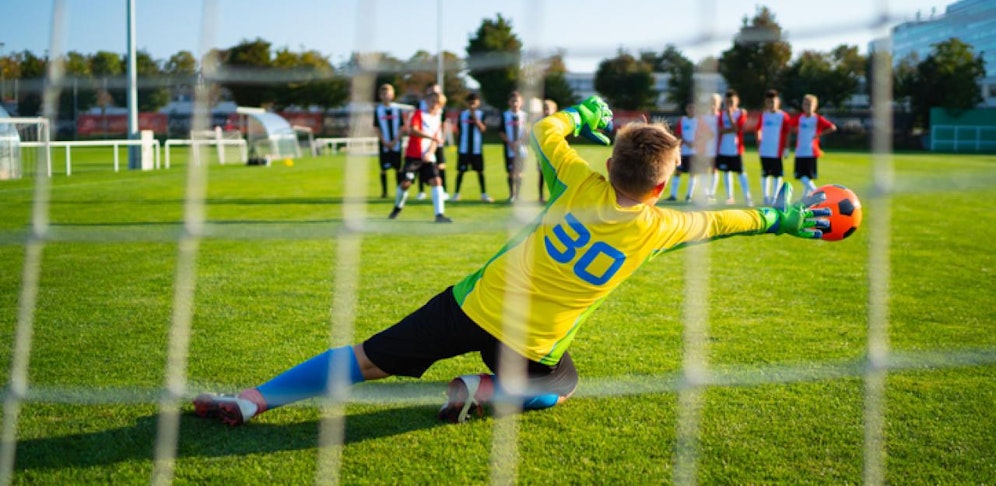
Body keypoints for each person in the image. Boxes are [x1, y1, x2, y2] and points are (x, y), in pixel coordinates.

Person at [192, 96, 830, 427]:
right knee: (561, 387)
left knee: (365, 358)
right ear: (663, 185)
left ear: (609, 165)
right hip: (533, 343)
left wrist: (580, 116)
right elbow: (727, 221)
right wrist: (783, 218)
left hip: (473, 303)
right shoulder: (664, 225)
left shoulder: (577, 180)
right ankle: (480, 391)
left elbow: (543, 131)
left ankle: (253, 399)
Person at [387, 91, 452, 223]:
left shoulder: (437, 119)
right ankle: (397, 207)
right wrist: (430, 137)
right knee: (405, 184)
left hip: (428, 157)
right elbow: (413, 130)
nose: (434, 104)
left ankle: (439, 215)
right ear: (426, 101)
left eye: (437, 103)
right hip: (413, 156)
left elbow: (436, 139)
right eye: (432, 101)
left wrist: (430, 153)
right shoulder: (419, 114)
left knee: (437, 181)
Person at [790, 94, 837, 196]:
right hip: (800, 151)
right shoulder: (800, 118)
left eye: (810, 104)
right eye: (805, 104)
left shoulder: (817, 119)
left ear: (815, 106)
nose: (807, 107)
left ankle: (817, 192)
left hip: (811, 151)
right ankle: (805, 199)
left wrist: (819, 134)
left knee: (803, 176)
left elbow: (832, 127)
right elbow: (789, 125)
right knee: (803, 177)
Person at [453, 92, 493, 203]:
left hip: (476, 149)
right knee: (461, 171)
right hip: (464, 148)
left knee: (480, 171)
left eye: (474, 103)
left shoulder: (481, 114)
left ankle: (484, 194)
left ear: (478, 103)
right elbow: (459, 131)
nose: (472, 106)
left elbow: (483, 129)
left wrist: (475, 117)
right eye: (470, 103)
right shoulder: (462, 115)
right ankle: (456, 193)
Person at [716, 89, 753, 206]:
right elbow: (720, 129)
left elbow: (738, 129)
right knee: (726, 172)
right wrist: (730, 129)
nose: (729, 104)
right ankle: (730, 197)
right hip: (723, 148)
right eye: (727, 102)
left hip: (736, 148)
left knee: (741, 172)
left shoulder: (741, 113)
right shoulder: (721, 114)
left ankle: (747, 196)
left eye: (731, 101)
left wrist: (730, 116)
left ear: (737, 101)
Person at [756, 89, 792, 206]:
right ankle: (766, 197)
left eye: (773, 101)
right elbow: (758, 129)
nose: (770, 104)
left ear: (778, 102)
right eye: (768, 102)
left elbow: (787, 133)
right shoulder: (764, 115)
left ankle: (775, 196)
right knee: (765, 174)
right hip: (765, 150)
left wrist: (786, 148)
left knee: (777, 174)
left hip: (777, 151)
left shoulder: (783, 116)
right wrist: (759, 143)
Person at [416, 84, 449, 201]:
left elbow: (444, 123)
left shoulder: (441, 109)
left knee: (440, 165)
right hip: (424, 141)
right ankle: (421, 191)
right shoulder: (421, 107)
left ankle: (443, 190)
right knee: (422, 164)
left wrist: (443, 137)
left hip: (436, 140)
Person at [667, 100, 704, 202]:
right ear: (686, 109)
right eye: (689, 108)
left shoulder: (699, 121)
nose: (691, 110)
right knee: (678, 172)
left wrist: (696, 143)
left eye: (693, 108)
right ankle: (673, 195)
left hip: (694, 152)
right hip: (683, 151)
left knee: (693, 173)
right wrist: (686, 142)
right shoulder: (682, 120)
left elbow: (704, 135)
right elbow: (677, 134)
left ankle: (689, 195)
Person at [373, 83, 404, 198]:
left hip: (396, 144)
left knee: (398, 168)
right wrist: (384, 141)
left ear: (393, 95)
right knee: (383, 169)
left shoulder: (397, 109)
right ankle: (384, 192)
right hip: (384, 144)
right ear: (380, 96)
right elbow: (376, 127)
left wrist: (396, 140)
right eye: (383, 94)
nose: (386, 96)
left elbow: (402, 126)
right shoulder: (378, 110)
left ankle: (399, 190)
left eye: (388, 93)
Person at [499, 91, 528, 203]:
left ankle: (519, 195)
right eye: (513, 101)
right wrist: (510, 143)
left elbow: (527, 131)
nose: (515, 103)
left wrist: (519, 142)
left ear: (521, 102)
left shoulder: (524, 116)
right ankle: (512, 195)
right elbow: (501, 131)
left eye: (517, 101)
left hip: (521, 149)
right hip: (509, 148)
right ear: (509, 102)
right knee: (511, 172)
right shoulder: (505, 115)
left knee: (520, 172)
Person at [537, 99, 558, 204]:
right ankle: (540, 196)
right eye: (544, 109)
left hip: (554, 152)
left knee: (555, 175)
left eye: (548, 109)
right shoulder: (540, 122)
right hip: (542, 152)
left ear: (554, 110)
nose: (546, 111)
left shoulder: (556, 122)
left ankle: (554, 195)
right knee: (541, 174)